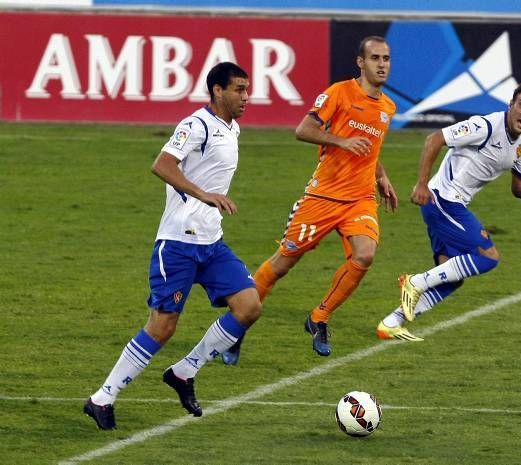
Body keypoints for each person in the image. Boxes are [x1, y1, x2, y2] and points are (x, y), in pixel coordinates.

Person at [83, 62, 261, 430]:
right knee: (162, 328)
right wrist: (203, 195)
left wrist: (209, 201)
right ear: (217, 91)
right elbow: (162, 165)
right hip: (178, 245)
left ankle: (184, 371)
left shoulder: (233, 128)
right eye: (239, 89)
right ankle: (102, 398)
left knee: (249, 306)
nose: (246, 96)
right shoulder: (195, 126)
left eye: (247, 89)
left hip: (211, 244)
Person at [222, 35, 397, 363]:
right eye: (375, 58)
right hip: (322, 197)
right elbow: (303, 130)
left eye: (386, 58)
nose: (382, 64)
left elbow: (371, 149)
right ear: (361, 62)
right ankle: (236, 328)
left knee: (365, 254)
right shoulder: (339, 93)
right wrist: (341, 142)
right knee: (282, 264)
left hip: (359, 199)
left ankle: (319, 316)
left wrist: (381, 176)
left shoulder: (388, 107)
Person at [376, 79, 521, 341]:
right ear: (510, 105)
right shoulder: (486, 126)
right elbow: (434, 139)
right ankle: (416, 282)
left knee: (451, 276)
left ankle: (392, 322)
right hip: (442, 201)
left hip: (450, 204)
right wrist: (422, 184)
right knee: (488, 257)